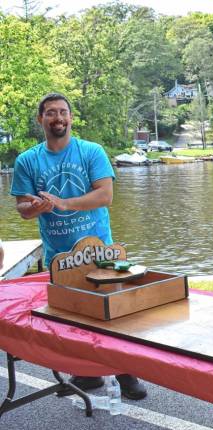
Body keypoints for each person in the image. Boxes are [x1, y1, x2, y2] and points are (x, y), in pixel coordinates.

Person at [10, 93, 147, 400]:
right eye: (50, 113)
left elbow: (105, 196)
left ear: (71, 118)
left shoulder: (91, 151)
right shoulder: (27, 161)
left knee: (113, 314)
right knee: (70, 318)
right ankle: (87, 375)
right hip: (59, 256)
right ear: (40, 119)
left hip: (99, 251)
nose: (58, 118)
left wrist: (63, 203)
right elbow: (21, 206)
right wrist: (35, 209)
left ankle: (126, 374)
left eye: (63, 112)